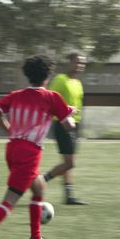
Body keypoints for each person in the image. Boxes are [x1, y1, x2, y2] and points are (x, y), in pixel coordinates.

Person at [0, 55, 76, 239]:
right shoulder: (52, 97)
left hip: (12, 148)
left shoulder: (16, 95)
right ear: (48, 76)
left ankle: (35, 238)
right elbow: (68, 126)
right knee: (11, 198)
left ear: (28, 75)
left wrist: (10, 130)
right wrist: (70, 116)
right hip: (30, 151)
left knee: (39, 186)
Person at [42, 52, 88, 205]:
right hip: (63, 124)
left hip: (75, 125)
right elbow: (49, 99)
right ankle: (41, 180)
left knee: (69, 162)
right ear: (70, 63)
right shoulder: (61, 80)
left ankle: (68, 196)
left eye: (82, 63)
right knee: (69, 163)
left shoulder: (78, 83)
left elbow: (78, 106)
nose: (80, 65)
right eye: (77, 62)